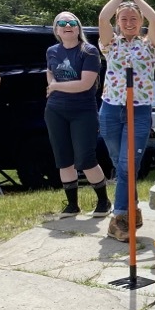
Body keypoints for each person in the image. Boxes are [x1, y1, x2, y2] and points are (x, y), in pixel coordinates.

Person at [97, 0, 155, 242]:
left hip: (139, 109)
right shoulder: (110, 45)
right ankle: (131, 211)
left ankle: (120, 219)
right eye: (124, 19)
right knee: (121, 164)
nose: (129, 22)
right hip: (111, 109)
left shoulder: (151, 46)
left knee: (126, 166)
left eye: (134, 18)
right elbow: (102, 17)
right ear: (118, 23)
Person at [45, 12, 112, 218]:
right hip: (55, 110)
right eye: (62, 23)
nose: (67, 26)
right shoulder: (52, 51)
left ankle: (103, 201)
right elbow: (50, 72)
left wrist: (56, 86)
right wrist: (53, 84)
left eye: (72, 22)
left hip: (83, 110)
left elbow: (85, 83)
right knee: (63, 159)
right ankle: (72, 204)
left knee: (85, 158)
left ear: (78, 28)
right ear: (56, 30)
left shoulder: (89, 51)